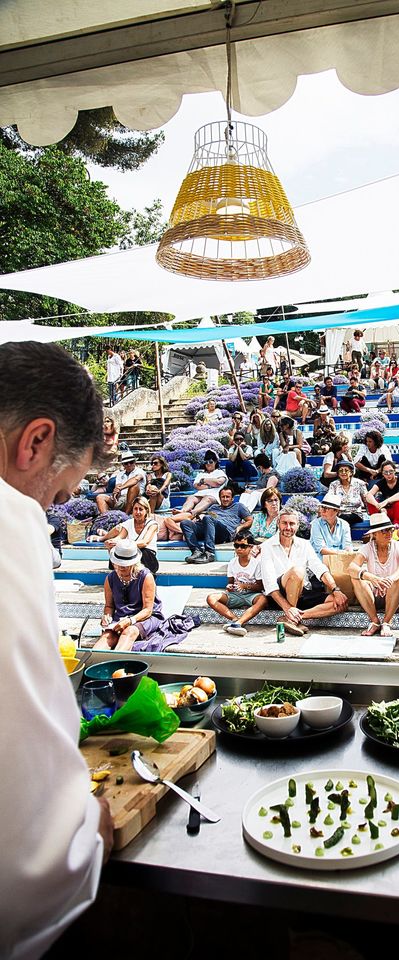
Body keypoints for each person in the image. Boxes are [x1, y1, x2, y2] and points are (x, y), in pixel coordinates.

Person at [0, 341, 113, 956]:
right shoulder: (10, 522)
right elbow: (25, 860)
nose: (51, 509)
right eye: (60, 492)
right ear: (35, 442)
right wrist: (88, 830)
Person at [260, 507, 349, 635]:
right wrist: (287, 607)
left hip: (302, 592)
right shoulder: (267, 546)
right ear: (278, 523)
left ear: (298, 525)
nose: (288, 527)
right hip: (278, 595)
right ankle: (291, 615)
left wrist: (336, 590)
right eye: (284, 523)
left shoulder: (304, 544)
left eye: (292, 523)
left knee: (340, 603)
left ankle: (292, 619)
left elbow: (319, 568)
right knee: (297, 571)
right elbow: (269, 584)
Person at [348, 512, 399, 636]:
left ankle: (386, 622)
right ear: (374, 534)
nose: (388, 533)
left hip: (395, 592)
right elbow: (351, 567)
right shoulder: (367, 547)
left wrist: (391, 579)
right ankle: (374, 621)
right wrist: (371, 577)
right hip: (374, 593)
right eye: (384, 531)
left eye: (390, 530)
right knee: (356, 578)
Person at [206, 533, 268, 635]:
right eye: (236, 546)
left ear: (251, 547)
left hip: (252, 594)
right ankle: (235, 619)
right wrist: (229, 587)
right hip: (236, 594)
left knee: (263, 600)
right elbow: (230, 583)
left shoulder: (257, 563)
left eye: (243, 546)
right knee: (211, 598)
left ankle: (239, 622)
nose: (239, 549)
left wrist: (245, 586)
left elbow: (260, 587)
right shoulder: (232, 562)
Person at [90, 495, 159, 575]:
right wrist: (111, 542)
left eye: (141, 509)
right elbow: (119, 538)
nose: (138, 512)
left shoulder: (152, 524)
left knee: (140, 551)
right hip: (131, 553)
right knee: (116, 549)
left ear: (146, 511)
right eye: (135, 509)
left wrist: (124, 544)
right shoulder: (128, 523)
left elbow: (144, 542)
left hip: (147, 556)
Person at [181, 487, 250, 562]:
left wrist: (240, 527)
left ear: (232, 498)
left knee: (208, 518)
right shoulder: (214, 508)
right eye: (223, 497)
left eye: (228, 497)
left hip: (225, 532)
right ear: (219, 498)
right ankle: (196, 551)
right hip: (211, 530)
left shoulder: (238, 506)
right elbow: (211, 519)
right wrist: (198, 519)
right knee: (185, 523)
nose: (225, 499)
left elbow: (249, 520)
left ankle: (210, 553)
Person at [178, 450, 227, 516]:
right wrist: (211, 485)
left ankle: (193, 512)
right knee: (191, 498)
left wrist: (204, 480)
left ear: (215, 462)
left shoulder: (220, 472)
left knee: (207, 498)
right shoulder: (201, 474)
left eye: (210, 462)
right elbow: (196, 486)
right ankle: (183, 511)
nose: (208, 464)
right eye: (206, 462)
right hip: (200, 494)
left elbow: (219, 482)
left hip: (214, 495)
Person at [310, 492, 354, 558]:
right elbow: (321, 550)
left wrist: (346, 553)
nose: (323, 511)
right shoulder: (315, 524)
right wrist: (341, 553)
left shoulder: (344, 524)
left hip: (340, 559)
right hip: (320, 560)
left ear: (336, 511)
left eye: (327, 508)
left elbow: (347, 546)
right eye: (322, 507)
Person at [365, 460, 399, 525]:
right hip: (385, 512)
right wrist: (378, 506)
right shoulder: (381, 482)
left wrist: (386, 501)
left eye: (391, 471)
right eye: (386, 472)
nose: (388, 474)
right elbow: (368, 495)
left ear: (395, 471)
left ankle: (396, 524)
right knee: (370, 502)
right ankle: (377, 523)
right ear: (382, 473)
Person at [328, 459, 369, 525]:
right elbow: (329, 499)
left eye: (346, 470)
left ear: (351, 472)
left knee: (344, 519)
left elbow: (366, 500)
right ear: (338, 473)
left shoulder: (360, 483)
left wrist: (370, 514)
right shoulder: (334, 485)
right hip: (339, 514)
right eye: (341, 471)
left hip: (355, 514)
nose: (343, 472)